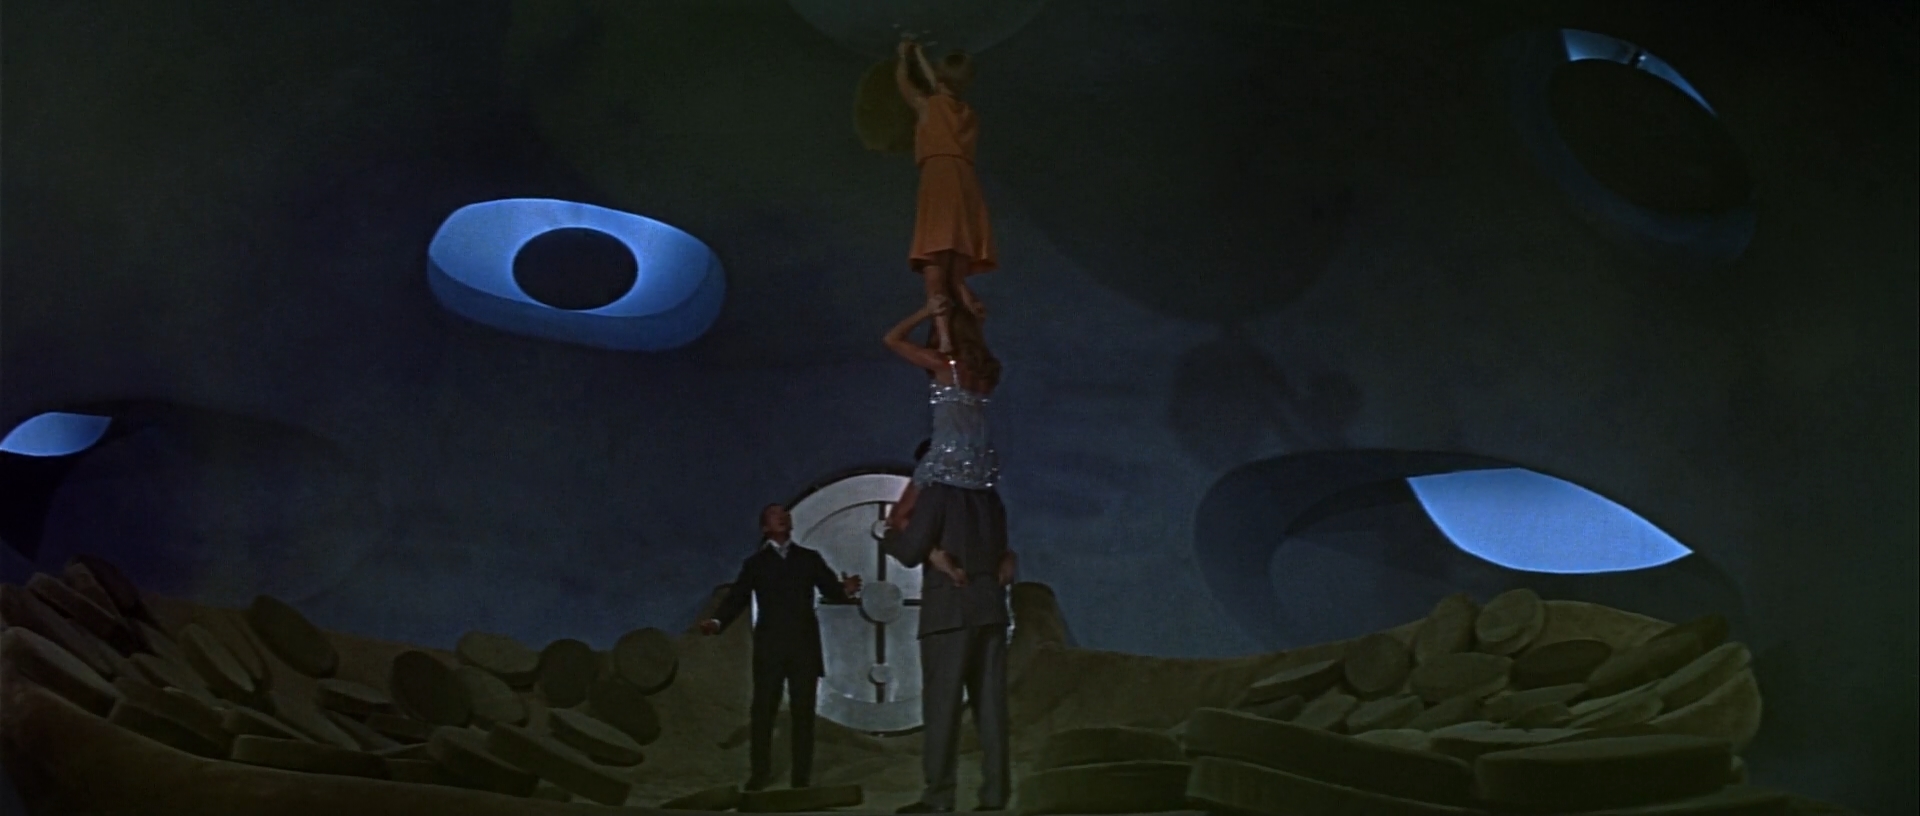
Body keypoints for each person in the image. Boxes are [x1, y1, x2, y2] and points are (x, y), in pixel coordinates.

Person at [879, 302, 1015, 813]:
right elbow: (1004, 555)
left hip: (949, 613)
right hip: (989, 608)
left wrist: (900, 539)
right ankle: (996, 795)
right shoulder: (991, 499)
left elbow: (909, 547)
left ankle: (939, 799)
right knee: (992, 710)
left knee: (942, 708)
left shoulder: (936, 492)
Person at [698, 504, 863, 791]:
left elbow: (831, 590)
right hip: (770, 649)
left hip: (804, 648)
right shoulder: (756, 564)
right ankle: (759, 774)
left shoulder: (809, 559)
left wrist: (845, 589)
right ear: (765, 528)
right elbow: (737, 597)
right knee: (763, 712)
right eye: (775, 515)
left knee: (803, 714)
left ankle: (801, 778)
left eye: (785, 514)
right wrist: (716, 621)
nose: (783, 517)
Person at [895, 34, 996, 357]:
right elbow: (938, 86)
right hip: (965, 184)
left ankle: (945, 339)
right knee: (955, 274)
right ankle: (969, 329)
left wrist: (904, 57)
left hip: (940, 181)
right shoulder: (967, 114)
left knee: (933, 262)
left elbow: (907, 85)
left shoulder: (930, 106)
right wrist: (920, 57)